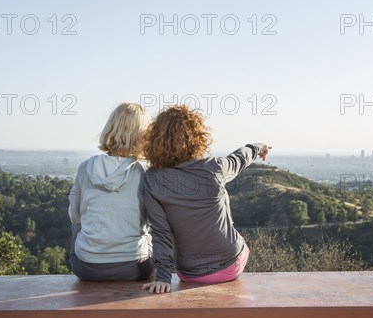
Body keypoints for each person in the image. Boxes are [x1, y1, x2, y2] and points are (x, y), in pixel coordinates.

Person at [141, 104, 271, 293]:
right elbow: (240, 157)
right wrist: (259, 147)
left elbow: (161, 233)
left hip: (190, 272)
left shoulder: (152, 179)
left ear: (155, 140)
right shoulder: (215, 168)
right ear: (197, 137)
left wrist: (163, 278)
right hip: (230, 266)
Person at [68, 103, 153, 281]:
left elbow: (75, 216)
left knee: (78, 223)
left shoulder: (85, 168)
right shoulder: (146, 172)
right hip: (136, 268)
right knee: (149, 232)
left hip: (86, 268)